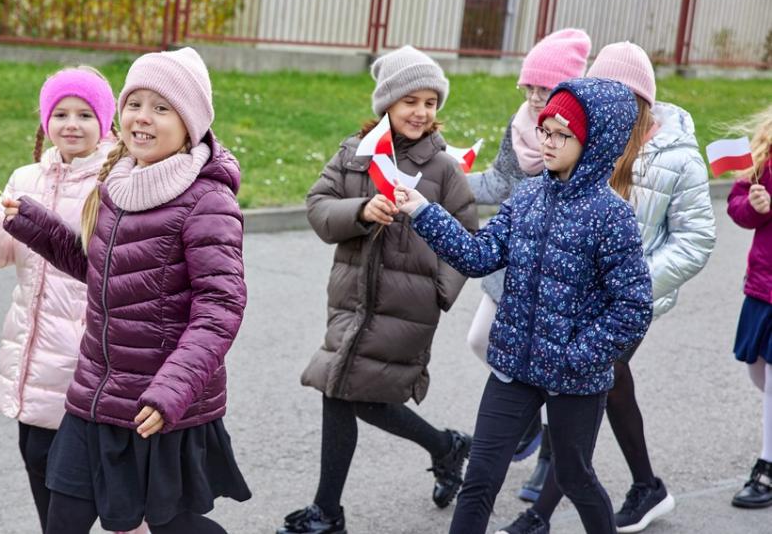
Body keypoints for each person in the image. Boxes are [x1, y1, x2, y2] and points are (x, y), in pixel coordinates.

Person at [2, 48, 251, 534]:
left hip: (157, 403)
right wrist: (34, 224)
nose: (142, 117)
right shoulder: (115, 183)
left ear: (190, 124)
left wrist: (171, 391)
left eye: (162, 108)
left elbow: (220, 308)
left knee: (174, 526)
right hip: (93, 392)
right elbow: (101, 271)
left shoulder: (208, 201)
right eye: (134, 104)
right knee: (63, 520)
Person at [395, 77, 654, 534]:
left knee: (575, 477)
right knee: (479, 480)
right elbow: (479, 256)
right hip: (513, 367)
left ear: (594, 142)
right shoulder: (528, 194)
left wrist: (577, 357)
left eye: (562, 135)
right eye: (544, 130)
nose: (548, 142)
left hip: (574, 378)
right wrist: (423, 211)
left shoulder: (612, 215)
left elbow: (632, 307)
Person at [500, 41, 717, 534]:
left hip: (627, 300)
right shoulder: (594, 137)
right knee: (608, 389)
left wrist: (632, 284)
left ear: (639, 101)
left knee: (589, 383)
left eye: (615, 92)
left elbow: (697, 239)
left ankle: (539, 515)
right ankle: (647, 486)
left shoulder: (677, 155)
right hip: (577, 291)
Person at [276, 45, 478, 534]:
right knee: (347, 389)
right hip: (352, 300)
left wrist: (439, 291)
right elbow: (318, 206)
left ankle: (328, 513)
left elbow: (467, 233)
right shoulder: (356, 154)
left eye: (430, 102)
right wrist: (361, 211)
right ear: (387, 102)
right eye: (410, 101)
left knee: (347, 390)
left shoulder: (442, 168)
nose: (421, 112)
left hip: (406, 306)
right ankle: (445, 447)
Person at [0, 66, 120, 533]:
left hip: (85, 360)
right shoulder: (25, 178)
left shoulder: (113, 183)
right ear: (45, 121)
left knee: (81, 484)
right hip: (32, 358)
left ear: (106, 123)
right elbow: (1, 253)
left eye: (85, 115)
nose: (72, 124)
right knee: (37, 461)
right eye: (61, 114)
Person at [467, 28, 592, 494]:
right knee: (481, 339)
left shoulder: (583, 136)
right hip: (513, 262)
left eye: (546, 88)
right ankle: (529, 420)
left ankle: (549, 459)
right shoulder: (521, 125)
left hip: (560, 272)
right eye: (530, 87)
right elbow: (499, 183)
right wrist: (442, 180)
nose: (536, 97)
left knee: (556, 369)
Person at [726, 105, 772, 510]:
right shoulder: (765, 156)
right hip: (762, 286)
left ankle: (767, 466)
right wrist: (755, 206)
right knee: (757, 370)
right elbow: (737, 204)